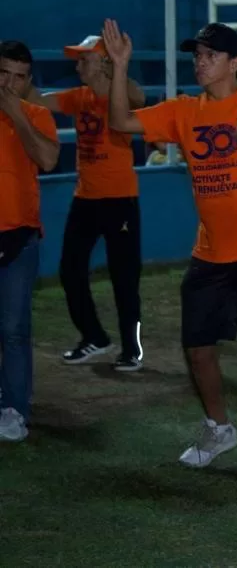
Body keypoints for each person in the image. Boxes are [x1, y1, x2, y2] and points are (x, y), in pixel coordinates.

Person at [100, 0, 237, 478]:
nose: (200, 63)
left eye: (209, 55)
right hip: (211, 251)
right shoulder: (183, 110)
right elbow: (121, 122)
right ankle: (219, 427)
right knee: (198, 346)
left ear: (234, 62)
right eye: (197, 55)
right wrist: (120, 67)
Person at [26, 35, 147, 371]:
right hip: (86, 199)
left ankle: (132, 349)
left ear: (103, 63)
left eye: (84, 60)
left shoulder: (122, 94)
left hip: (120, 199)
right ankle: (94, 336)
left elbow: (138, 97)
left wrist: (118, 68)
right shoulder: (78, 97)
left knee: (125, 278)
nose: (77, 66)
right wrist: (16, 81)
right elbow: (36, 101)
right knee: (70, 269)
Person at [0, 41, 59, 443]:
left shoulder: (36, 115)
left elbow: (49, 160)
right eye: (4, 73)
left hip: (19, 238)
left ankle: (15, 409)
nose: (10, 82)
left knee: (15, 329)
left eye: (19, 77)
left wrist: (17, 116)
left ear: (28, 82)